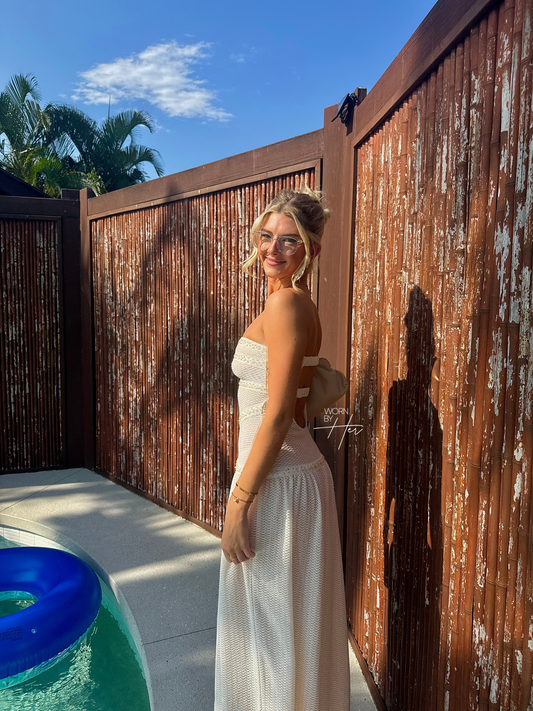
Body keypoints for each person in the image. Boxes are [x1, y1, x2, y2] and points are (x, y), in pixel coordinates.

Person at [214, 186, 350, 711]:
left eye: (289, 240)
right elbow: (294, 406)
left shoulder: (288, 302)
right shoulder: (292, 302)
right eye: (267, 235)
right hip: (285, 476)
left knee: (272, 638)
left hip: (277, 485)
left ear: (311, 249)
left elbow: (276, 416)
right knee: (282, 630)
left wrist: (238, 502)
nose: (273, 248)